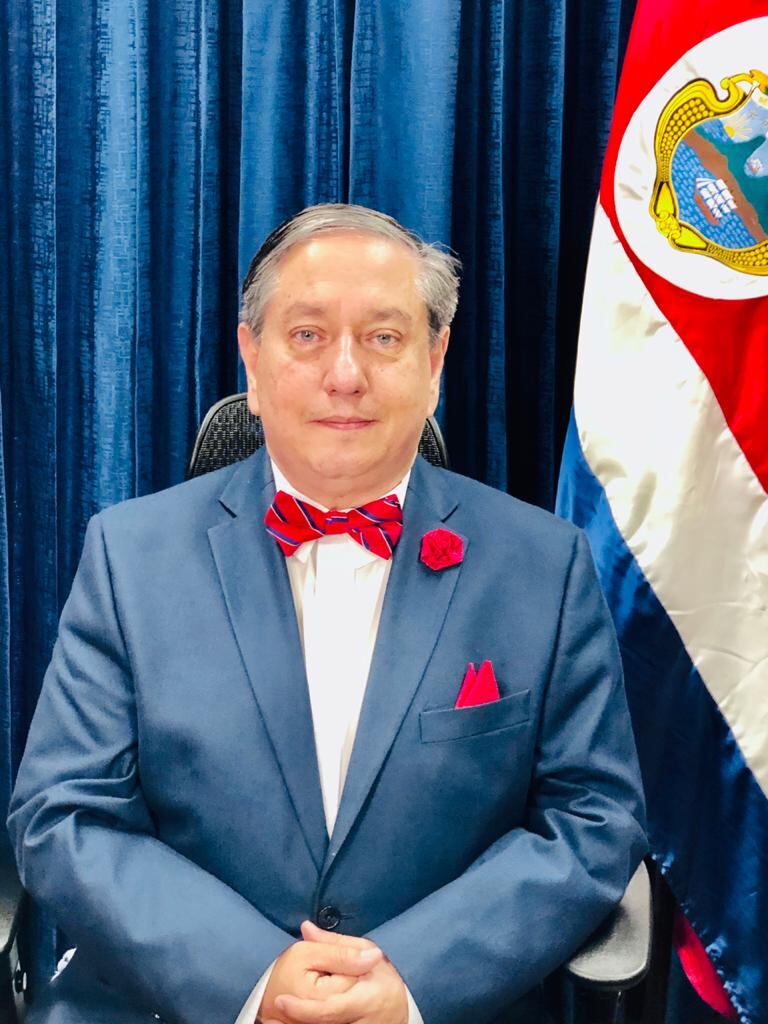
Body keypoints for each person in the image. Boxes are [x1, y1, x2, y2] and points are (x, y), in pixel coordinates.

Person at [7, 204, 647, 1024]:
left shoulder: (544, 566)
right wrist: (252, 978)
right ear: (252, 357)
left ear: (435, 360)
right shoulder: (128, 557)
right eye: (308, 335)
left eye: (383, 337)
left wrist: (412, 980)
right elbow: (64, 814)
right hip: (174, 1002)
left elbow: (594, 817)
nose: (345, 374)